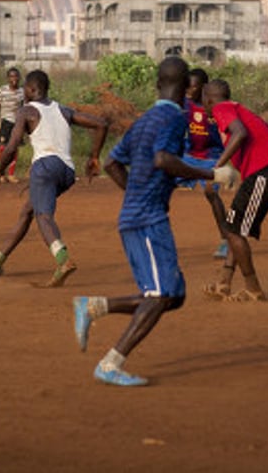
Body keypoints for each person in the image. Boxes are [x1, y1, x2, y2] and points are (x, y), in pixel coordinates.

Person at [72, 56, 239, 387]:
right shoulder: (174, 119)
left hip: (141, 215)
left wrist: (137, 193)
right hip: (146, 219)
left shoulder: (145, 119)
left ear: (158, 84)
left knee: (173, 296)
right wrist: (213, 173)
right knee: (160, 294)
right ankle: (110, 363)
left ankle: (94, 307)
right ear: (187, 89)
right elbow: (163, 159)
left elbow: (111, 163)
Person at [0, 69, 108, 287]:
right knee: (28, 211)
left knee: (43, 216)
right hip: (67, 172)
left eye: (25, 89)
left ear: (32, 90)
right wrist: (94, 157)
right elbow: (101, 124)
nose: (23, 93)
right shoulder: (62, 109)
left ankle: (63, 260)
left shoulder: (27, 111)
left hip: (45, 167)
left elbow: (12, 146)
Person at [203, 78, 268, 302]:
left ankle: (253, 288)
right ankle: (224, 283)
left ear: (209, 99)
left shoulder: (221, 108)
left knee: (233, 231)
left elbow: (239, 133)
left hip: (267, 173)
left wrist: (218, 167)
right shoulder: (236, 108)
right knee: (236, 229)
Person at [177, 68, 230, 260]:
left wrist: (225, 163)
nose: (189, 91)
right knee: (160, 180)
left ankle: (225, 240)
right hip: (188, 155)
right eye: (187, 87)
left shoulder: (217, 108)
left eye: (193, 87)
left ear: (205, 88)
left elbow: (230, 136)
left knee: (210, 192)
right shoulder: (185, 104)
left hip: (212, 157)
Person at [0, 67, 25, 184]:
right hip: (5, 122)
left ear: (19, 78)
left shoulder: (22, 92)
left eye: (16, 76)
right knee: (3, 148)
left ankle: (11, 174)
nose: (14, 79)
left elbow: (23, 108)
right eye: (11, 76)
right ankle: (1, 174)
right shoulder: (2, 90)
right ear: (8, 78)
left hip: (17, 123)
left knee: (15, 148)